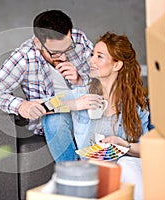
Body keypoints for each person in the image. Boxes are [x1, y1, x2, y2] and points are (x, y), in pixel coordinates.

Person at [43, 32, 152, 199]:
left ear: (117, 65)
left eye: (99, 56)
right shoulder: (82, 93)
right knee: (52, 118)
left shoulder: (137, 106)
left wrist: (124, 144)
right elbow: (45, 106)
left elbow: (148, 150)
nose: (91, 60)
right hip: (87, 173)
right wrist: (75, 104)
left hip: (121, 172)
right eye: (92, 54)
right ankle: (74, 177)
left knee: (127, 165)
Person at [0, 10, 97, 136]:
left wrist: (80, 80)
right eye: (55, 53)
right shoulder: (24, 57)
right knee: (56, 122)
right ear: (37, 43)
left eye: (68, 49)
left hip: (88, 110)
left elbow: (105, 78)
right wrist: (21, 106)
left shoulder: (78, 39)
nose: (63, 57)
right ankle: (71, 157)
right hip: (54, 115)